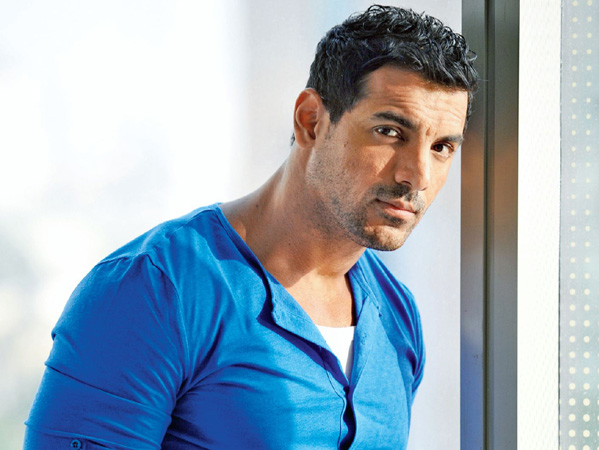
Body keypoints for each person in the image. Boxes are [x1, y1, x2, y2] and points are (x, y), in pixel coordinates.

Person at [25, 5, 477, 449]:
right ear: (311, 122)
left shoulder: (398, 316)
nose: (417, 176)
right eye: (390, 132)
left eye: (441, 147)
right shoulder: (155, 290)